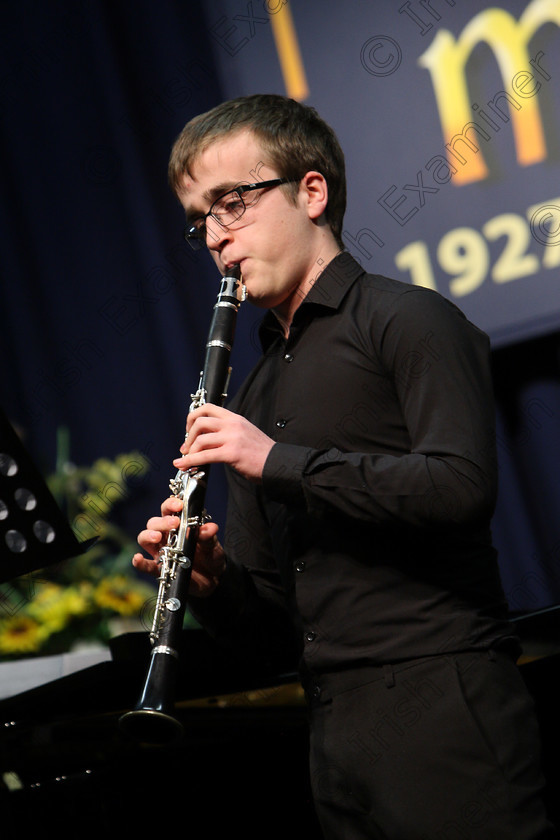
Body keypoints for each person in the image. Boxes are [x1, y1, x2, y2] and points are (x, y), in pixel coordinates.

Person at [133, 93, 556, 839]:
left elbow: (460, 487)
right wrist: (214, 582)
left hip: (445, 704)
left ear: (312, 192)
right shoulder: (254, 388)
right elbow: (273, 632)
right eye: (201, 219)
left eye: (233, 203)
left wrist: (277, 461)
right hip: (333, 730)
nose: (216, 238)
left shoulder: (410, 320)